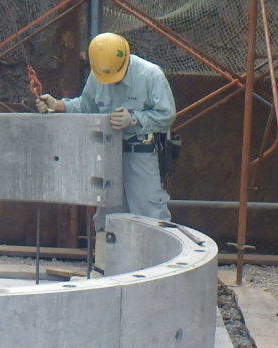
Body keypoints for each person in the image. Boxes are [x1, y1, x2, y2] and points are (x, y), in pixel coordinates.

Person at [37, 31, 176, 221]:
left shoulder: (150, 75)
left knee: (148, 215)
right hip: (107, 152)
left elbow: (167, 115)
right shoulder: (98, 74)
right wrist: (58, 105)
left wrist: (134, 119)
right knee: (109, 215)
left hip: (140, 152)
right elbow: (86, 106)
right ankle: (108, 241)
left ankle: (150, 242)